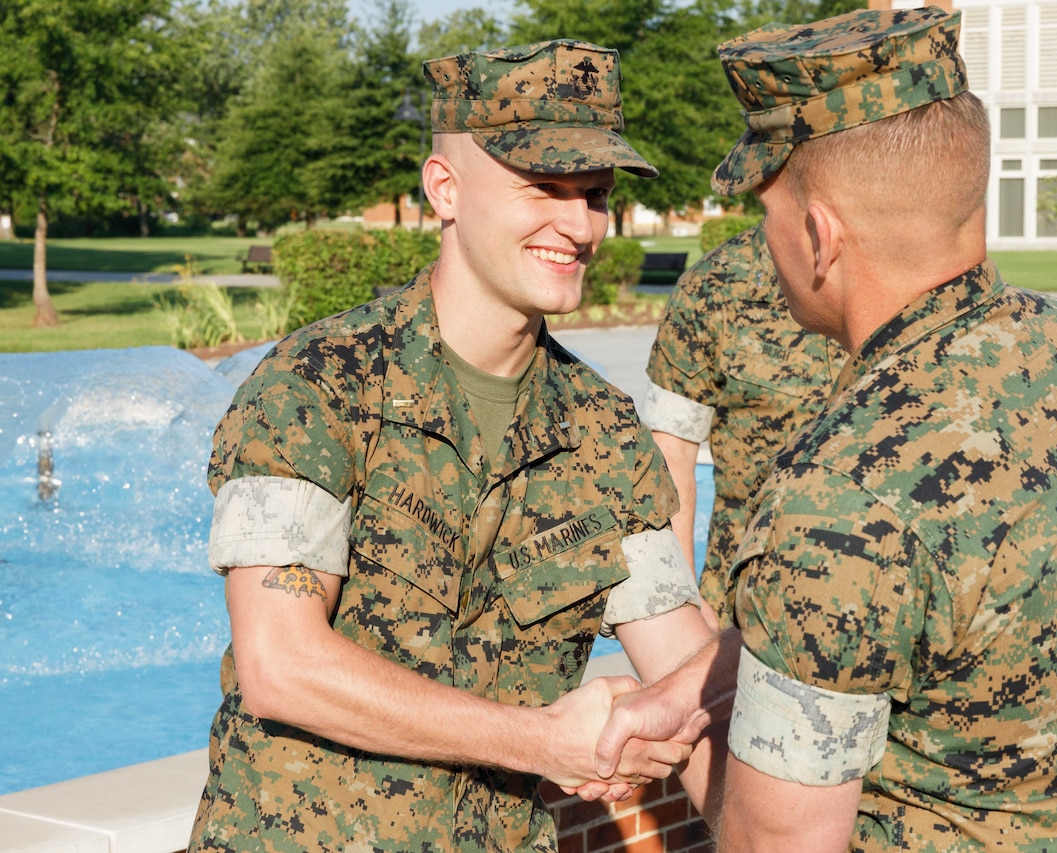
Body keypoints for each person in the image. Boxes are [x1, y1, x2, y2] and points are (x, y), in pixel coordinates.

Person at [601, 6, 1057, 850]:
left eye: (767, 217)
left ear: (818, 236)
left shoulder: (842, 499)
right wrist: (686, 687)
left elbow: (775, 842)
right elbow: (873, 619)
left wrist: (669, 689)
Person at [187, 39, 725, 852]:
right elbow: (281, 664)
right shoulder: (322, 386)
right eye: (542, 186)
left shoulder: (603, 433)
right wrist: (545, 739)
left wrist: (703, 697)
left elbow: (686, 660)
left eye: (596, 194)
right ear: (445, 189)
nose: (577, 225)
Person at [644, 223, 841, 628]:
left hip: (885, 600)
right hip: (746, 606)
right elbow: (670, 452)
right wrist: (684, 609)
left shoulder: (904, 268)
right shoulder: (716, 284)